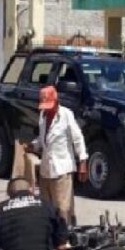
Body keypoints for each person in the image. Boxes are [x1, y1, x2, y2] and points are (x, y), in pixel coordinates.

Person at [26, 86, 88, 225]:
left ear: (57, 101)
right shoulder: (43, 116)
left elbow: (77, 138)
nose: (47, 110)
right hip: (46, 171)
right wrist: (33, 145)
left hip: (61, 171)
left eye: (49, 106)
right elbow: (43, 139)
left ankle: (65, 237)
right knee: (46, 208)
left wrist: (82, 162)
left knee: (62, 208)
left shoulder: (66, 115)